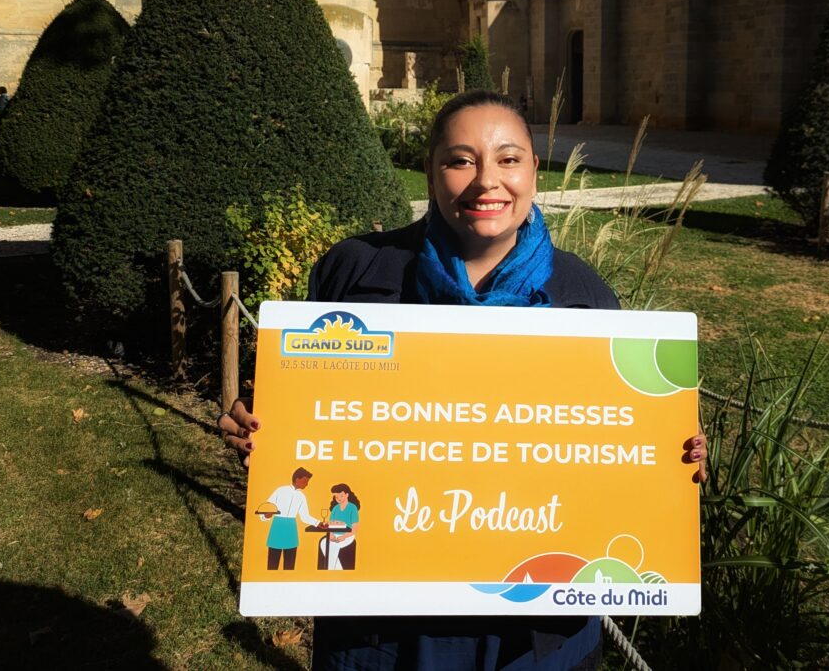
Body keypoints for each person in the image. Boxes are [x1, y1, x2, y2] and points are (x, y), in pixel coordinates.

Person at [221, 89, 708, 670]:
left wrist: (672, 453)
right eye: (460, 161)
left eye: (508, 159)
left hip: (533, 636)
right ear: (430, 172)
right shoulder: (355, 271)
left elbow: (618, 443)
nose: (487, 182)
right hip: (379, 627)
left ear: (533, 171)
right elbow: (311, 419)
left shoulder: (585, 296)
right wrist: (263, 431)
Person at [259, 467, 320, 571]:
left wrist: (318, 523)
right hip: (277, 528)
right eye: (305, 481)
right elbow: (266, 508)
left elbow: (305, 516)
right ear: (297, 479)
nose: (307, 484)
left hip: (291, 530)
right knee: (272, 566)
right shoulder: (280, 490)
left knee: (289, 567)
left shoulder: (301, 496)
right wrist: (265, 516)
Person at [319, 483, 359, 571]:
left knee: (333, 546)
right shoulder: (335, 508)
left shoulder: (352, 508)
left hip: (348, 535)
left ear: (347, 495)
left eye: (341, 496)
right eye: (336, 497)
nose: (339, 498)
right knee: (323, 543)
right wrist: (331, 534)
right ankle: (338, 569)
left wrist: (344, 536)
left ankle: (330, 571)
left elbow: (355, 528)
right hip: (334, 534)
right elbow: (330, 524)